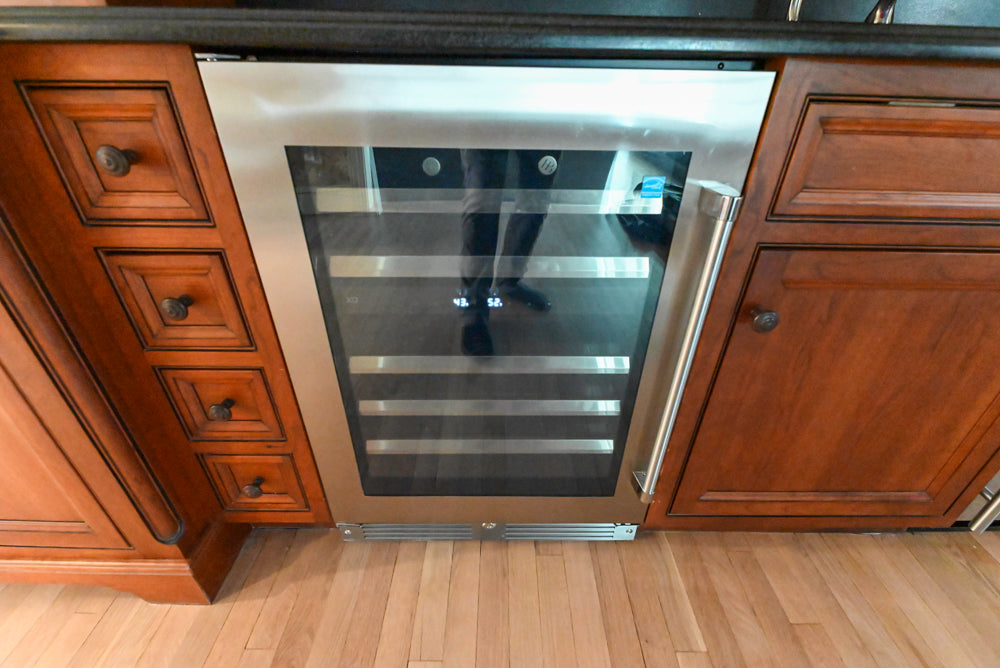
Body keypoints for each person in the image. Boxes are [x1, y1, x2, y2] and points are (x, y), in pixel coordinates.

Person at [459, 148, 559, 356]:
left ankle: (509, 281)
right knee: (482, 202)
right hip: (485, 117)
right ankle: (475, 309)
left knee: (535, 201)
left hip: (542, 117)